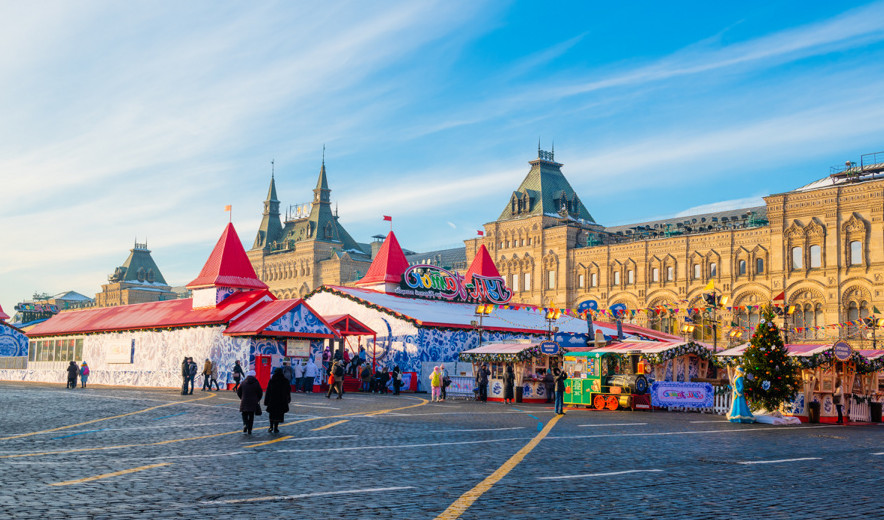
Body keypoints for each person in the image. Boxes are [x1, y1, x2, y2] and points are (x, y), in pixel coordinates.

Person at [264, 368, 291, 434]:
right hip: (281, 401)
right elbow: (288, 391)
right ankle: (276, 428)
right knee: (279, 415)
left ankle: (271, 427)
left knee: (272, 414)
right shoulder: (285, 380)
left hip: (272, 401)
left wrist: (266, 401)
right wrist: (288, 399)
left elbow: (268, 391)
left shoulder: (272, 380)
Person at [237, 370, 263, 435]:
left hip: (244, 401)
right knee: (251, 416)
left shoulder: (243, 382)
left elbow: (238, 392)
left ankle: (245, 424)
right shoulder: (256, 383)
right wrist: (257, 399)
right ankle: (250, 429)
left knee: (244, 414)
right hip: (253, 402)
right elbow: (260, 393)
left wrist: (242, 397)